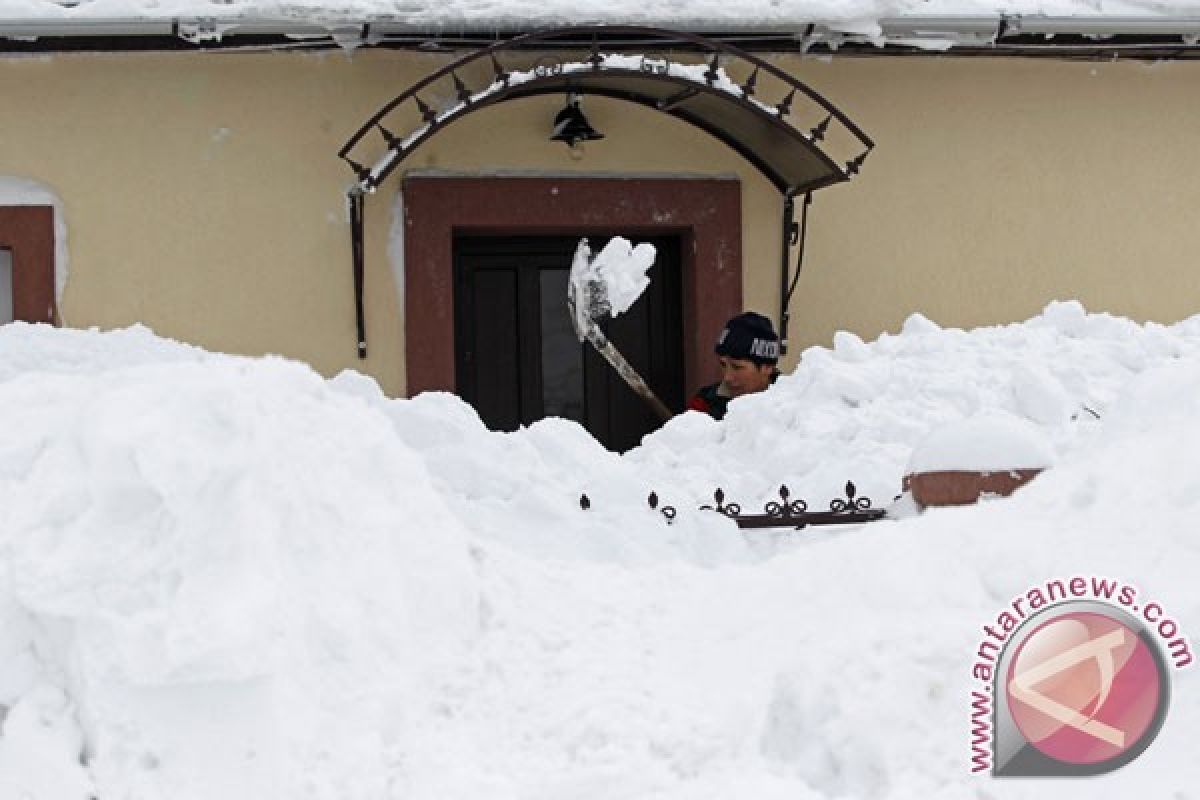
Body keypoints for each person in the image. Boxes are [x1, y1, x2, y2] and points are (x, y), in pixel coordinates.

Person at [687, 311, 781, 420]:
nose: (727, 377)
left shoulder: (793, 405)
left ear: (767, 367)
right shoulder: (704, 404)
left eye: (737, 367)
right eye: (723, 364)